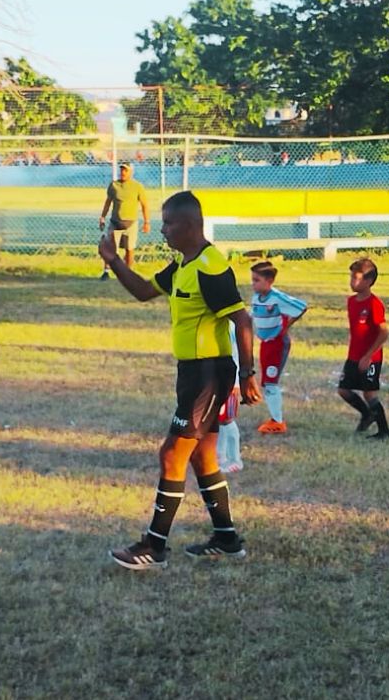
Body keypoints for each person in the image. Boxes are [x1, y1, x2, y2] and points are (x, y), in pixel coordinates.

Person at [99, 190, 261, 570]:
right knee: (203, 456)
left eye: (168, 223)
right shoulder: (182, 265)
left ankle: (153, 547)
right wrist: (113, 261)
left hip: (209, 373)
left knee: (172, 454)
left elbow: (243, 320)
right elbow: (142, 291)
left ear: (189, 225)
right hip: (191, 373)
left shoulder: (210, 266)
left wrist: (248, 373)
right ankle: (226, 539)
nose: (163, 230)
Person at [250, 261, 309, 435]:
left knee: (270, 382)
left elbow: (301, 307)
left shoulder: (277, 297)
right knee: (266, 381)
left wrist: (285, 326)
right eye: (252, 280)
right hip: (265, 343)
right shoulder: (256, 298)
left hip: (277, 344)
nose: (253, 284)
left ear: (269, 281)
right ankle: (274, 418)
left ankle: (277, 421)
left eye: (256, 280)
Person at [338, 258, 389, 439]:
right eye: (351, 277)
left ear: (368, 281)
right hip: (353, 355)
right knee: (343, 390)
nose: (352, 282)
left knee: (370, 394)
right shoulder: (351, 301)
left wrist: (369, 356)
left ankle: (384, 430)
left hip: (371, 358)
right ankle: (367, 414)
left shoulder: (374, 304)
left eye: (357, 278)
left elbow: (383, 333)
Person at [97, 162, 150, 279]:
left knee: (129, 249)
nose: (123, 173)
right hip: (115, 222)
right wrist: (102, 217)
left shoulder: (137, 186)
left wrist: (147, 222)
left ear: (131, 172)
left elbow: (144, 205)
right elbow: (108, 202)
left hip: (130, 223)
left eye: (126, 170)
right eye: (121, 170)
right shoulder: (114, 185)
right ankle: (106, 271)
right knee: (110, 248)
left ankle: (128, 273)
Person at [216, 325, 243, 474]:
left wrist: (237, 382)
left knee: (226, 419)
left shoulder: (231, 326)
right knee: (218, 418)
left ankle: (234, 459)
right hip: (216, 379)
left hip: (230, 381)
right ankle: (220, 456)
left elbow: (237, 355)